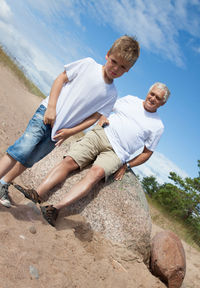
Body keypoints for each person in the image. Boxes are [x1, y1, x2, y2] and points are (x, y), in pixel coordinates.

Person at [0, 35, 140, 208]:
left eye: (122, 67)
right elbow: (61, 78)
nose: (116, 69)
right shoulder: (88, 65)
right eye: (114, 61)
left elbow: (94, 118)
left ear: (127, 71)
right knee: (23, 148)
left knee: (30, 158)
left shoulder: (112, 94)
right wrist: (51, 107)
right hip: (46, 114)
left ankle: (4, 183)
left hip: (60, 131)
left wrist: (69, 132)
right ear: (107, 54)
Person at [15, 82, 170, 227]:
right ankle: (37, 194)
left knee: (94, 175)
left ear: (163, 103)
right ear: (148, 92)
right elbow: (108, 108)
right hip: (100, 135)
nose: (153, 98)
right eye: (152, 94)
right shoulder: (131, 100)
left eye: (158, 98)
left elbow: (147, 153)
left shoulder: (157, 126)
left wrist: (127, 164)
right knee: (69, 161)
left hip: (117, 153)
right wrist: (103, 117)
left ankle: (55, 209)